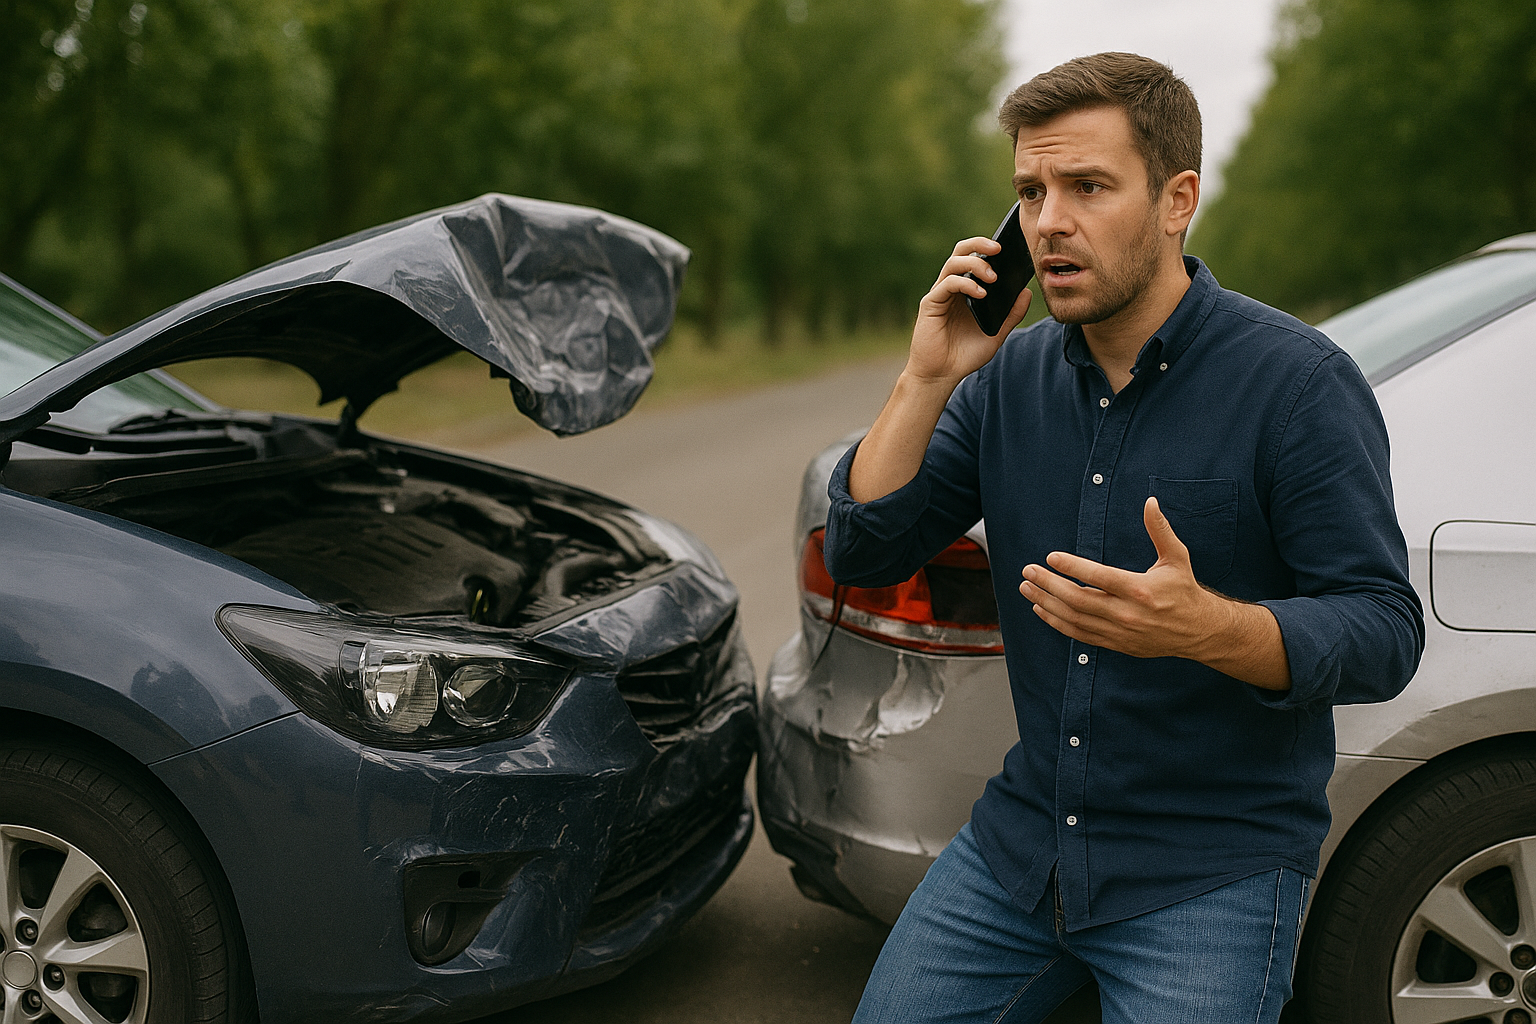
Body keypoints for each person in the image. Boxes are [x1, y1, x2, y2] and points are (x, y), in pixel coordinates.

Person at [823, 52, 1425, 1023]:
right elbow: (864, 550)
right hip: (1021, 845)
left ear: (1177, 199)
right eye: (1029, 190)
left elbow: (1385, 631)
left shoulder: (1298, 386)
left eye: (1087, 186)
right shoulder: (1001, 383)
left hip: (1210, 870)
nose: (1047, 220)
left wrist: (1207, 629)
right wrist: (926, 375)